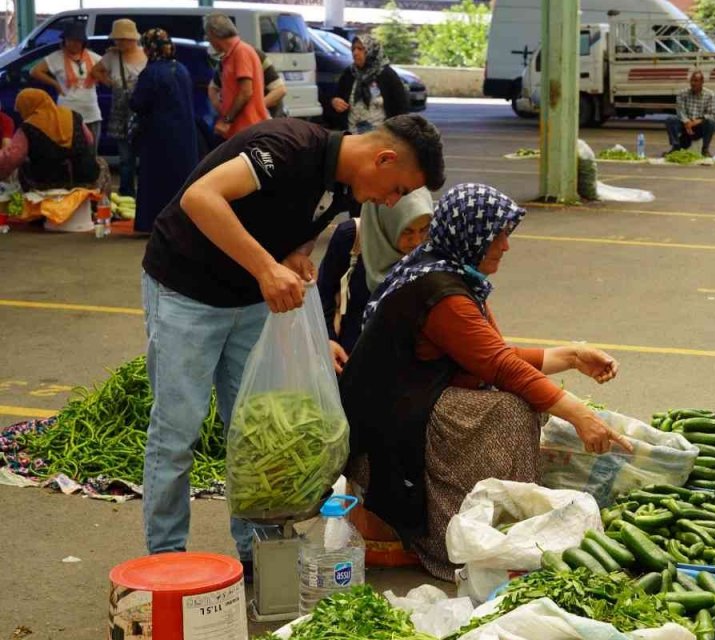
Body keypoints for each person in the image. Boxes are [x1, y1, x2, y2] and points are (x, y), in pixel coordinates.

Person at [140, 113, 445, 573]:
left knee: (261, 432)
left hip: (249, 301)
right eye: (398, 188)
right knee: (177, 431)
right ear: (383, 158)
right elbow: (200, 198)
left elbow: (304, 222)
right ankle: (165, 562)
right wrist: (266, 268)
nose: (391, 201)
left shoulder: (347, 186)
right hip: (186, 291)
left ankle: (261, 553)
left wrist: (295, 256)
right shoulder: (287, 147)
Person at [338, 183, 631, 578]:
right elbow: (501, 366)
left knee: (517, 401)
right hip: (387, 426)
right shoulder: (442, 294)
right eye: (499, 235)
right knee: (509, 411)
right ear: (471, 235)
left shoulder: (448, 274)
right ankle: (464, 531)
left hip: (409, 403)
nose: (506, 246)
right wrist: (580, 415)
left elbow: (489, 354)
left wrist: (573, 357)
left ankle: (496, 522)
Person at [318, 188, 433, 371]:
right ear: (386, 222)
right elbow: (322, 294)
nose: (417, 241)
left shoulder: (430, 252)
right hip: (347, 362)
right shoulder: (351, 237)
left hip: (402, 372)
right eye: (407, 231)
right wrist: (328, 340)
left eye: (424, 230)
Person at [129, 28, 199, 235]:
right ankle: (182, 222)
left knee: (155, 180)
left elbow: (138, 103)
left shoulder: (151, 73)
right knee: (180, 178)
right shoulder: (182, 69)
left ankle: (152, 224)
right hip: (185, 134)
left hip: (158, 135)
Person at [0, 89, 100, 190]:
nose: (21, 114)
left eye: (21, 109)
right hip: (85, 177)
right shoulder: (73, 115)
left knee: (22, 168)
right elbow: (90, 139)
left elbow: (11, 158)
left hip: (47, 184)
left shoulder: (28, 127)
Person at [91, 19, 146, 198]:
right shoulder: (112, 56)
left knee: (145, 156)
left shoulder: (146, 55)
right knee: (125, 158)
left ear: (132, 39)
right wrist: (110, 83)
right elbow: (95, 71)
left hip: (142, 113)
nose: (119, 43)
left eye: (122, 39)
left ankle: (145, 193)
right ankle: (126, 193)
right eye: (117, 39)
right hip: (121, 115)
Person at [30, 24, 103, 145]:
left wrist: (100, 77)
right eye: (71, 40)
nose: (74, 44)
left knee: (91, 153)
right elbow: (34, 71)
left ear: (83, 42)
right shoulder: (56, 57)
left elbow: (109, 67)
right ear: (65, 41)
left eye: (78, 41)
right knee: (68, 151)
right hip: (67, 113)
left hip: (91, 113)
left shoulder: (92, 56)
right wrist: (55, 84)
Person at [204, 14, 268, 139]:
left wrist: (227, 120)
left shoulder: (241, 52)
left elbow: (246, 92)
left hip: (247, 129)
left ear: (213, 33)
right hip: (240, 130)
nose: (208, 40)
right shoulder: (231, 54)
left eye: (208, 36)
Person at [333, 35, 410, 134]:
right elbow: (337, 97)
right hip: (352, 136)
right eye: (353, 49)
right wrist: (335, 102)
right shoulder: (349, 73)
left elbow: (401, 108)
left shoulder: (387, 75)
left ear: (372, 51)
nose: (355, 53)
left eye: (360, 49)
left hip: (380, 136)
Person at [213, 46, 287, 119]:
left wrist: (255, 108)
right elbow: (212, 88)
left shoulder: (256, 55)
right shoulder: (224, 61)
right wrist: (223, 111)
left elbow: (280, 90)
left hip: (269, 117)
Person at [664, 70, 715, 157]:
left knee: (711, 122)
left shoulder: (710, 95)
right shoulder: (682, 93)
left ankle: (705, 149)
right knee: (670, 120)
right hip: (685, 125)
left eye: (696, 81)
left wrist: (696, 121)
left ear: (702, 82)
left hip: (699, 126)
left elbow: (712, 113)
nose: (693, 83)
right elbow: (680, 111)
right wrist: (686, 122)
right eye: (692, 80)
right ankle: (676, 147)